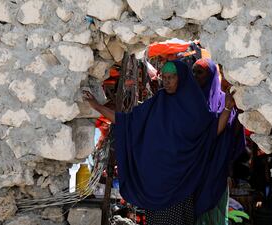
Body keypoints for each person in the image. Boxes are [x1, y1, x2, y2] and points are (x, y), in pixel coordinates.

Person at [83, 60, 236, 225]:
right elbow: (127, 122)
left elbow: (212, 131)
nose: (167, 82)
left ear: (182, 78)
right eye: (165, 77)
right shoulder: (157, 102)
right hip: (156, 182)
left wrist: (227, 108)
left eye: (172, 77)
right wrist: (97, 106)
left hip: (182, 182)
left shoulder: (195, 107)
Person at [192, 58, 245, 225]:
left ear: (211, 75)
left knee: (215, 211)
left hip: (216, 168)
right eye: (193, 72)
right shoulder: (189, 101)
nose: (195, 76)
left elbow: (233, 135)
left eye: (199, 72)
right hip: (194, 169)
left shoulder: (225, 101)